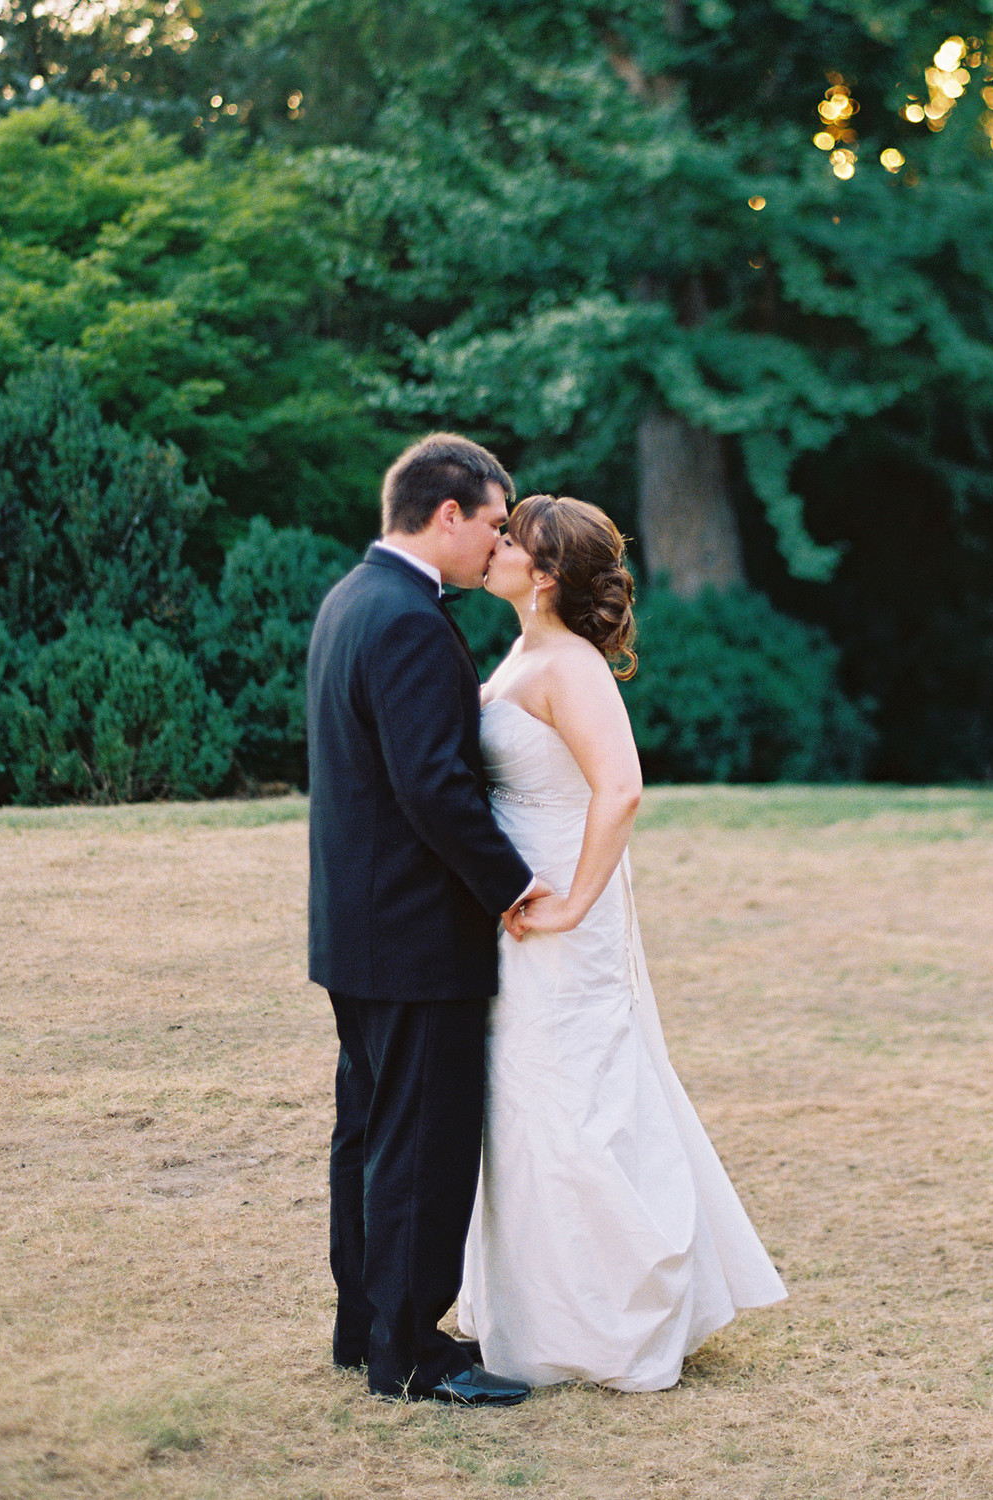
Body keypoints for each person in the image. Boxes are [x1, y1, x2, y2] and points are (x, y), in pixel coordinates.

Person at [457, 493, 787, 1391]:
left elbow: (622, 790)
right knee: (523, 1093)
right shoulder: (523, 650)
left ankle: (610, 1320)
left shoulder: (571, 666)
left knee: (572, 1090)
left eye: (510, 541)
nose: (493, 548)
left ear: (547, 574)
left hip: (565, 899)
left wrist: (572, 905)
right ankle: (541, 1309)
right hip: (522, 899)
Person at [307, 433, 549, 1405]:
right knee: (419, 1142)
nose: (499, 542)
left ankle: (364, 1327)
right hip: (414, 934)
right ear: (447, 514)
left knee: (368, 1134)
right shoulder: (406, 618)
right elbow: (436, 789)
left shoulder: (350, 599)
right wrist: (512, 886)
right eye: (494, 522)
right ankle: (409, 1351)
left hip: (358, 929)